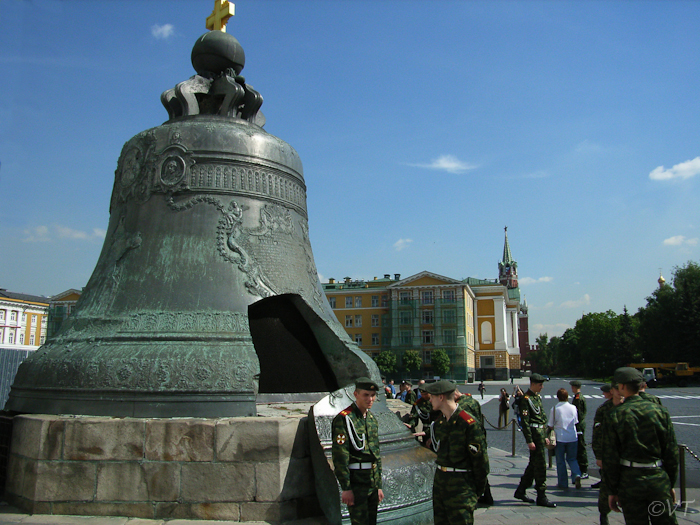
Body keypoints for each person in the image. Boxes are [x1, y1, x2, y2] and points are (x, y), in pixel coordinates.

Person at [603, 367, 679, 525]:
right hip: (658, 478)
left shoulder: (615, 414)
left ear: (622, 387)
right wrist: (670, 483)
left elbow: (610, 456)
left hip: (630, 480)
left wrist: (612, 490)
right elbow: (671, 452)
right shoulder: (660, 411)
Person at [426, 380, 489, 524]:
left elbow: (481, 463)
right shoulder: (442, 423)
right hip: (441, 486)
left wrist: (475, 492)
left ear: (441, 397)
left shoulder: (468, 424)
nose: (430, 400)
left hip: (461, 489)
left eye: (432, 397)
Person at [332, 377, 384, 525]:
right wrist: (346, 488)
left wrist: (379, 485)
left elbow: (376, 454)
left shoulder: (372, 419)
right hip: (356, 482)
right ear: (356, 394)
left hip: (372, 481)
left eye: (373, 395)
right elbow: (340, 455)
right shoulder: (345, 419)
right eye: (366, 395)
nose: (370, 399)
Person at [513, 373, 556, 507]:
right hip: (534, 435)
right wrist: (529, 440)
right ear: (533, 384)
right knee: (540, 465)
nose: (542, 387)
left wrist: (545, 435)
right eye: (540, 384)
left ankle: (520, 490)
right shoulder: (526, 399)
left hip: (540, 434)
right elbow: (525, 423)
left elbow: (541, 417)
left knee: (533, 465)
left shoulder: (536, 398)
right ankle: (541, 496)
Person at [592, 383, 622, 525]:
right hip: (609, 457)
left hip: (626, 457)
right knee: (606, 487)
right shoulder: (604, 409)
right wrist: (599, 456)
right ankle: (603, 515)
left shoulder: (630, 407)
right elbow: (597, 435)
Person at [547, 388, 582, 489]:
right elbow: (575, 421)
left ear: (558, 397)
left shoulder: (555, 409)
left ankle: (563, 483)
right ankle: (576, 474)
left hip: (560, 437)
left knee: (560, 461)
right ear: (567, 397)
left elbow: (550, 424)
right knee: (572, 459)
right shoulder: (573, 407)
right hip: (572, 437)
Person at [570, 380, 589, 479]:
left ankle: (584, 469)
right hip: (579, 424)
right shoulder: (578, 397)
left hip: (579, 425)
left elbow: (579, 413)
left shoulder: (578, 398)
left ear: (574, 387)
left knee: (581, 447)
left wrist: (576, 423)